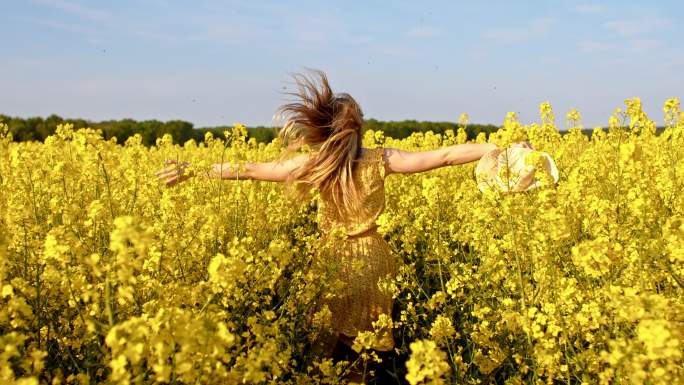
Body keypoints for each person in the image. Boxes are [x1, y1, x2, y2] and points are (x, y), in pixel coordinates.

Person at [155, 70, 532, 382]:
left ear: (321, 129)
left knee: (328, 345)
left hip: (332, 259)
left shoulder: (313, 165)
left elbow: (251, 171)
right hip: (372, 260)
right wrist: (493, 149)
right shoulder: (381, 158)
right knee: (362, 352)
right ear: (359, 127)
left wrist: (195, 171)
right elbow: (447, 156)